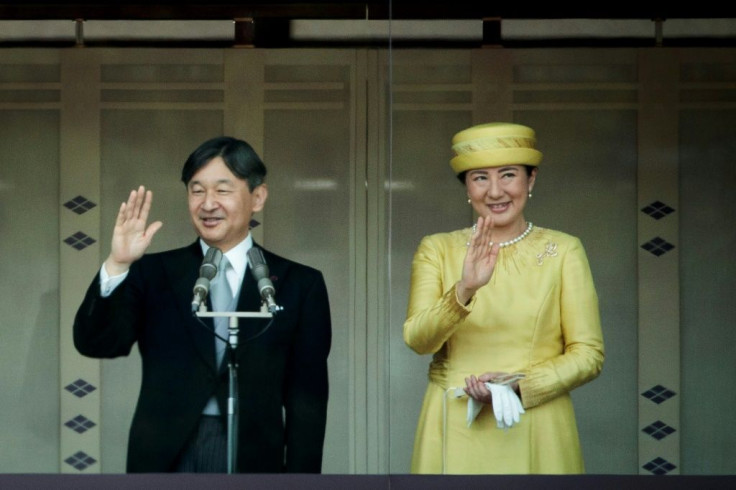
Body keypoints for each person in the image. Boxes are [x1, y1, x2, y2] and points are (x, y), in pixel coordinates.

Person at [73, 136, 332, 473]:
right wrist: (117, 265)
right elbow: (97, 343)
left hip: (254, 455)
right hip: (164, 455)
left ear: (258, 197)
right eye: (197, 191)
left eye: (222, 190)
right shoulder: (154, 273)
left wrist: (302, 481)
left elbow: (307, 397)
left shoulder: (299, 284)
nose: (208, 204)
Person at [403, 122, 604, 474]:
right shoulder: (437, 248)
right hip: (453, 423)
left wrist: (519, 387)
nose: (495, 191)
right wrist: (464, 289)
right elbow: (418, 340)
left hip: (538, 422)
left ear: (531, 179)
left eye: (508, 175)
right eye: (480, 178)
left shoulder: (564, 250)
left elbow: (588, 354)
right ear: (466, 186)